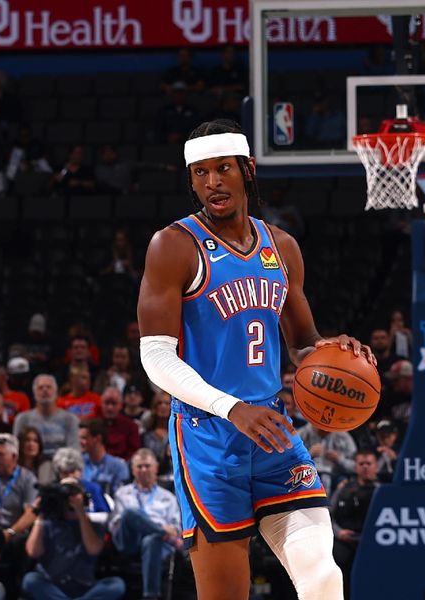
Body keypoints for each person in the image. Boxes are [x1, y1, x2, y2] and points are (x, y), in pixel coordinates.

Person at [136, 118, 373, 599]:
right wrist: (231, 407)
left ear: (247, 170)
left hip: (273, 432)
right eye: (200, 173)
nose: (212, 182)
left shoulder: (281, 247)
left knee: (323, 576)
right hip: (208, 438)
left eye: (222, 169)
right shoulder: (173, 246)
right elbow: (154, 357)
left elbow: (304, 343)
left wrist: (336, 351)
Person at [22, 478, 125, 600]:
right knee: (30, 580)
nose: (69, 499)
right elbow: (33, 552)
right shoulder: (47, 523)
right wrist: (41, 515)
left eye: (73, 493)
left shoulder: (94, 524)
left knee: (116, 585)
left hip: (84, 585)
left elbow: (94, 549)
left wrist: (81, 513)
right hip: (52, 584)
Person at [109, 448, 182, 600]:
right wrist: (161, 529)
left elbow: (176, 529)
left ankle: (150, 596)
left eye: (147, 466)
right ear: (133, 470)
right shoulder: (122, 493)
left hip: (158, 545)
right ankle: (160, 532)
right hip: (130, 541)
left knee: (151, 539)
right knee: (130, 513)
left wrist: (162, 532)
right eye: (139, 466)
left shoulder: (168, 497)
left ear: (155, 468)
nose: (143, 470)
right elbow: (115, 524)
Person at [329, 449, 380, 599]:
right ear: (356, 467)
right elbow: (329, 516)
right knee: (334, 559)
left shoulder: (383, 491)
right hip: (345, 539)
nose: (365, 467)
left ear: (376, 466)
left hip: (372, 541)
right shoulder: (344, 489)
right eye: (361, 463)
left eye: (369, 463)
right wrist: (339, 532)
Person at [0, 433, 37, 543]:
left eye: (0, 455)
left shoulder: (28, 479)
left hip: (16, 535)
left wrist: (10, 533)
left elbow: (31, 513)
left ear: (14, 456)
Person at [12, 374, 80, 458]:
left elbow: (74, 450)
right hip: (31, 465)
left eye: (49, 387)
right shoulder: (23, 419)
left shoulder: (70, 419)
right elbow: (16, 449)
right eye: (40, 388)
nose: (45, 390)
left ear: (56, 392)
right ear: (34, 393)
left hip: (61, 464)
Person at [298, 424, 357, 494]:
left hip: (336, 476)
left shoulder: (343, 437)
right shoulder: (302, 434)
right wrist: (309, 455)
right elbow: (289, 464)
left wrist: (339, 459)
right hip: (307, 474)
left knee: (343, 483)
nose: (325, 430)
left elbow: (356, 466)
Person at [79, 418, 129, 496]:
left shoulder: (118, 466)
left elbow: (121, 496)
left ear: (98, 439)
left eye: (84, 438)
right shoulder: (78, 463)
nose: (80, 442)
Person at [51, 448, 109, 514]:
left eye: (72, 471)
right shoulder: (53, 491)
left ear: (80, 471)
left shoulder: (93, 489)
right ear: (59, 473)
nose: (70, 476)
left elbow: (105, 515)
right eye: (65, 473)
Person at [98, 386, 140, 461]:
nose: (110, 407)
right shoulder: (93, 425)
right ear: (101, 404)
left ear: (121, 405)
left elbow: (133, 454)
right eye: (107, 403)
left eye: (114, 404)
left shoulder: (131, 426)